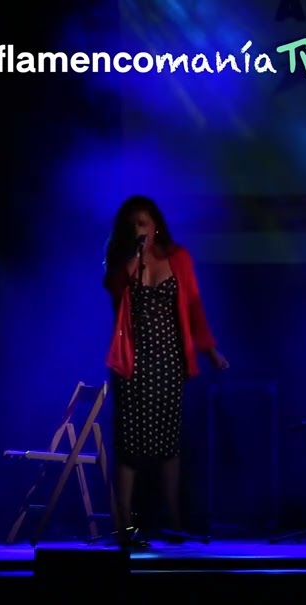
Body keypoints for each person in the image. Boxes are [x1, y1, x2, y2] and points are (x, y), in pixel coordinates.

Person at [103, 195, 229, 548]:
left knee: (166, 443)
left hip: (169, 362)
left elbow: (193, 306)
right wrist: (135, 256)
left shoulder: (179, 258)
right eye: (132, 224)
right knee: (129, 443)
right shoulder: (123, 261)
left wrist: (210, 350)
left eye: (143, 221)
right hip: (133, 362)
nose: (138, 228)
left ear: (156, 223)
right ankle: (123, 522)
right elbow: (113, 289)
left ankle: (172, 519)